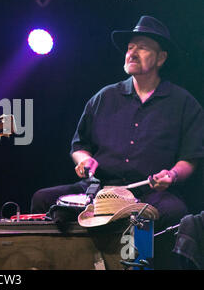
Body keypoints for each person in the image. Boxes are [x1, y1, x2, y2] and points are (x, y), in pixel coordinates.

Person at [31, 16, 204, 267]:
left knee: (167, 213)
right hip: (101, 190)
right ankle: (53, 262)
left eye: (142, 47)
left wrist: (172, 175)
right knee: (43, 199)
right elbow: (80, 146)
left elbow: (190, 158)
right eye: (130, 47)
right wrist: (85, 161)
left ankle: (136, 266)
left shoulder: (183, 103)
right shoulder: (105, 97)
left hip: (148, 193)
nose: (132, 52)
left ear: (161, 58)